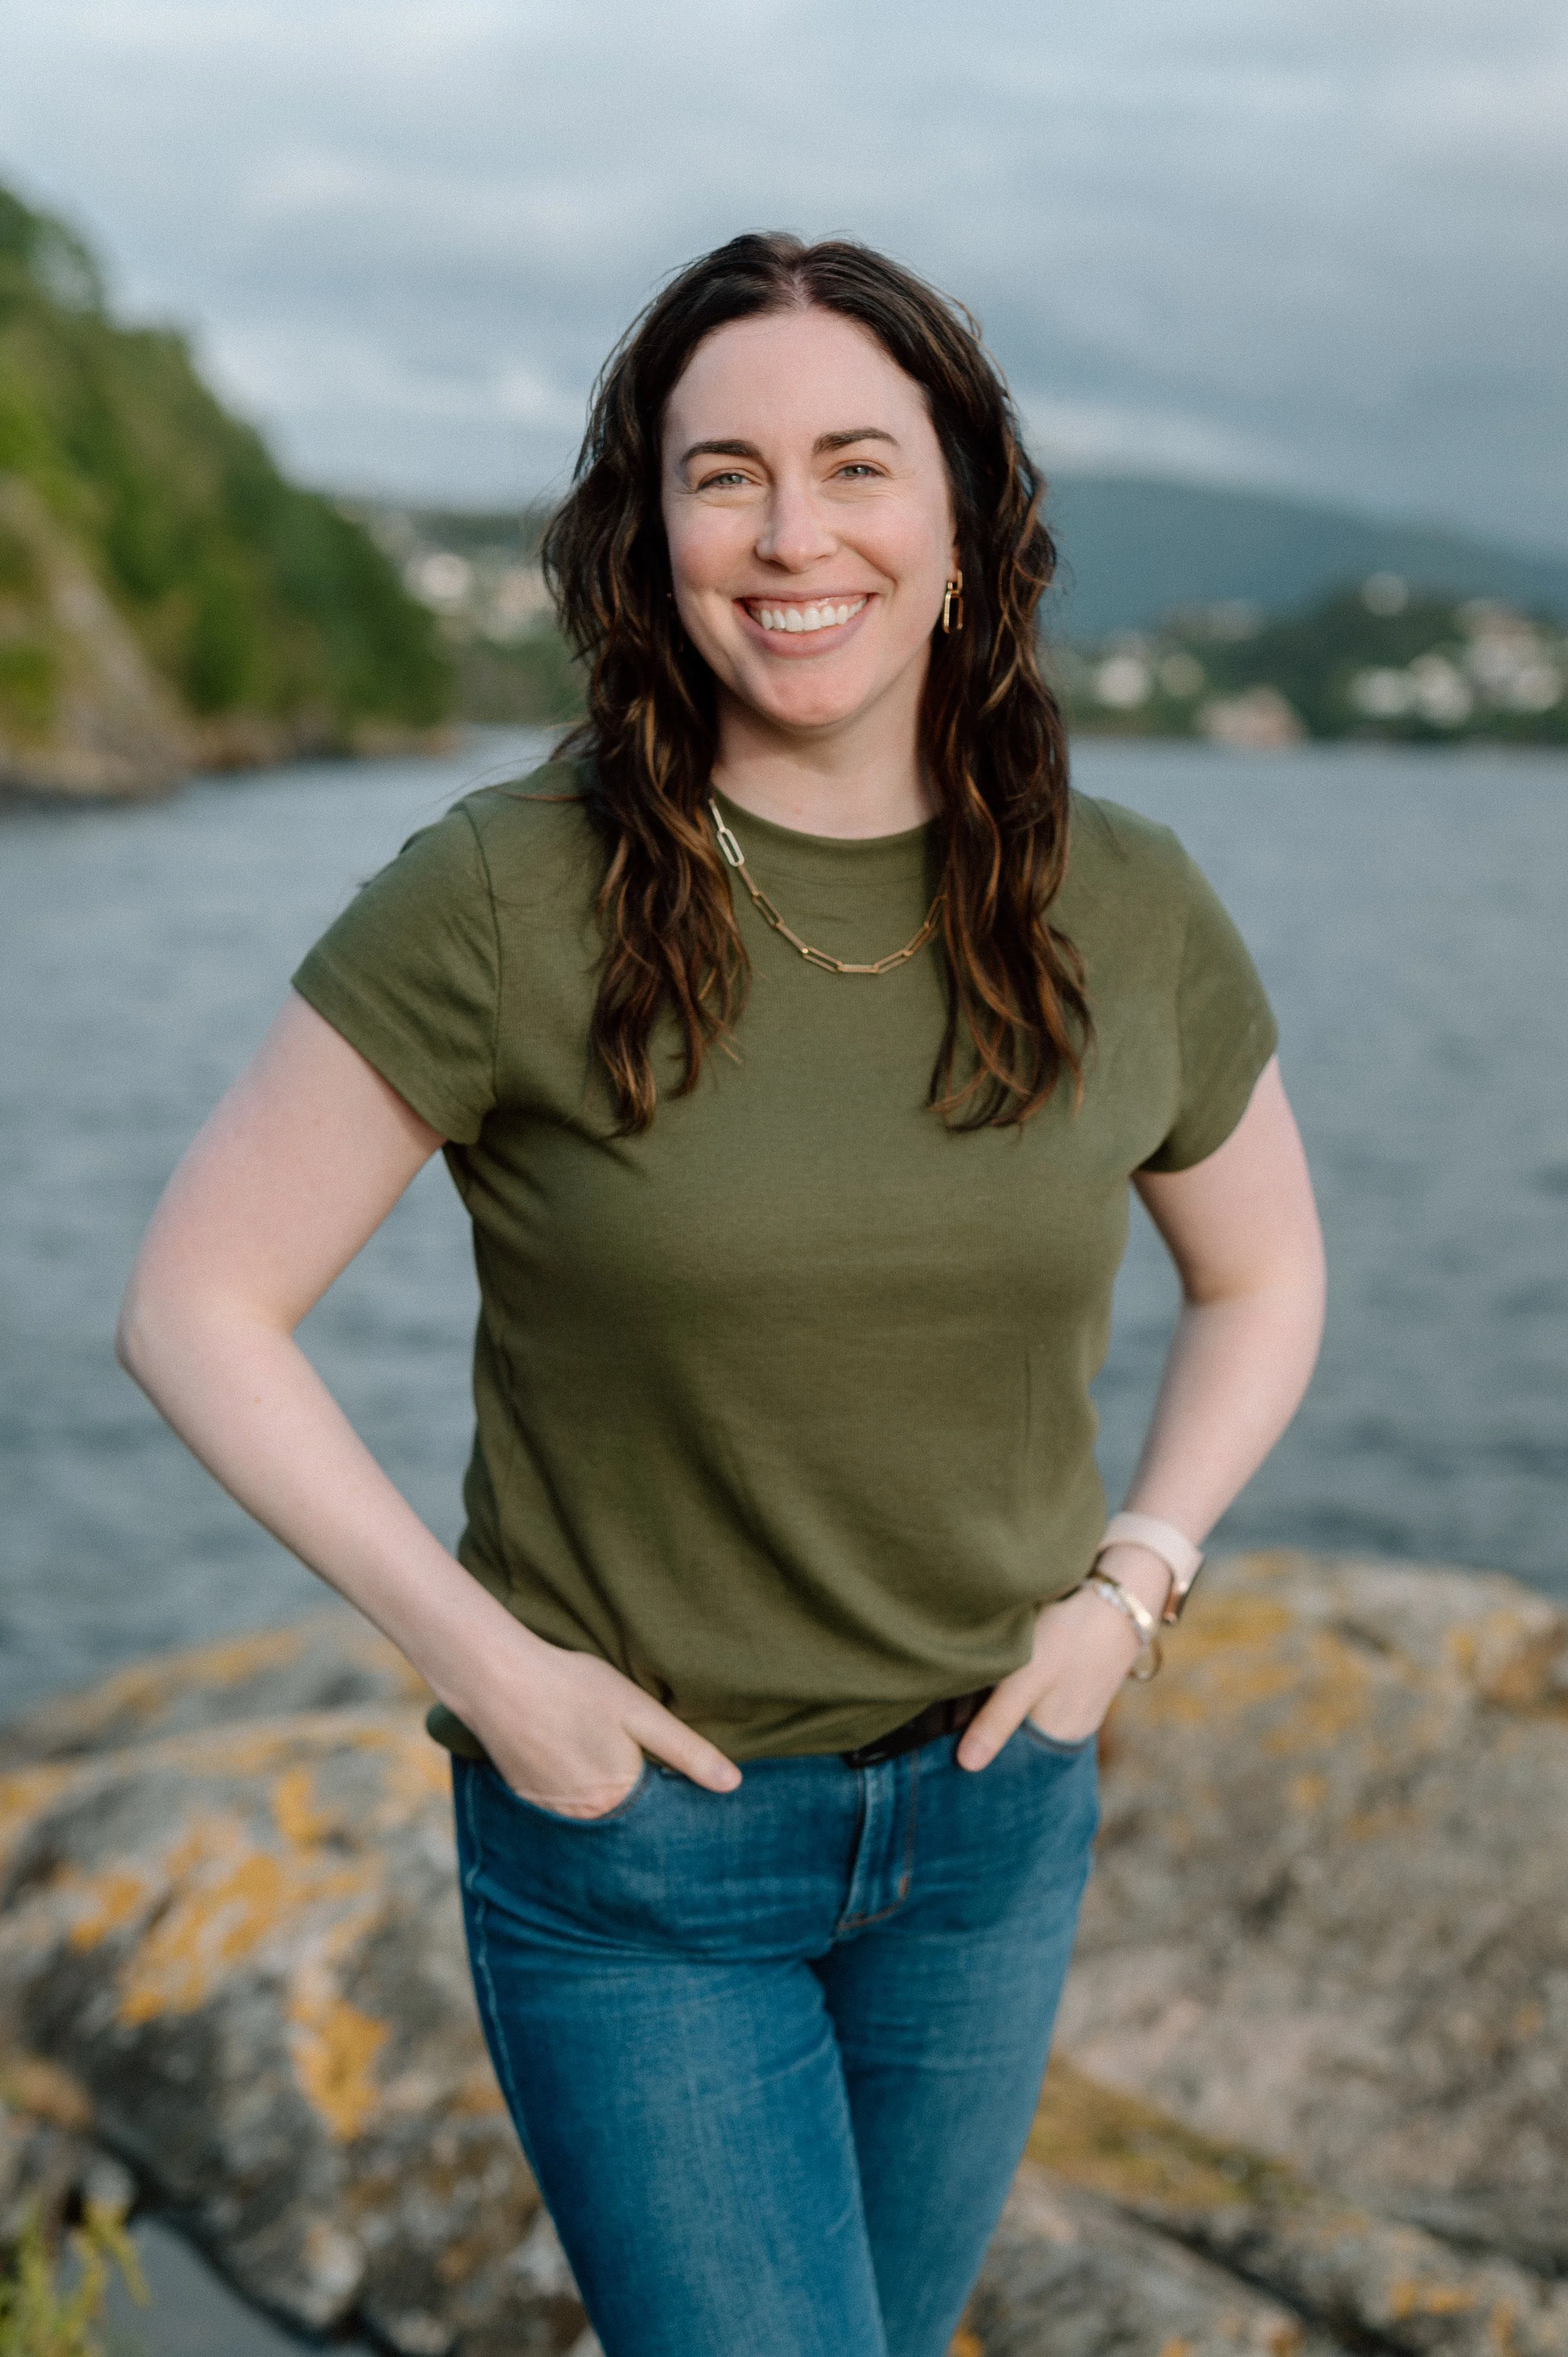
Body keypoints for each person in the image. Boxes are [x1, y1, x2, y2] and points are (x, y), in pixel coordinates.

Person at [118, 232, 1325, 2357]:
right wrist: (495, 1673)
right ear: (647, 526)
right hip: (638, 1860)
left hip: (986, 1829)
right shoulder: (505, 891)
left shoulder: (1122, 901)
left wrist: (1134, 1582)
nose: (791, 538)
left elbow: (1265, 1270)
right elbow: (199, 1304)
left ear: (962, 517)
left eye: (856, 466)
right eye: (720, 474)